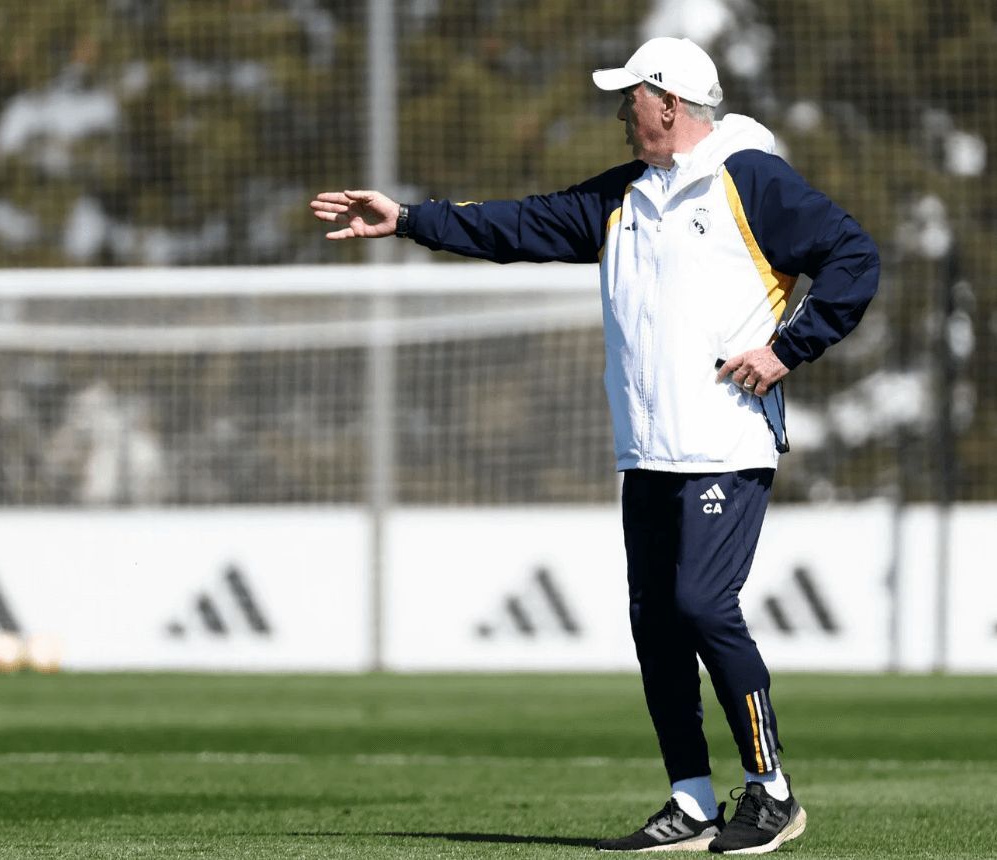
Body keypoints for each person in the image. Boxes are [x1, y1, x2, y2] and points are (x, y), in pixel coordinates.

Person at [310, 36, 879, 854]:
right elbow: (520, 224)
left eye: (630, 98)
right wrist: (406, 219)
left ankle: (770, 792)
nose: (621, 112)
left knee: (701, 607)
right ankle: (688, 801)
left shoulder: (750, 179)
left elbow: (853, 256)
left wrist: (787, 348)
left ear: (668, 105)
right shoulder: (624, 196)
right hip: (645, 450)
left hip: (723, 443)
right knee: (654, 622)